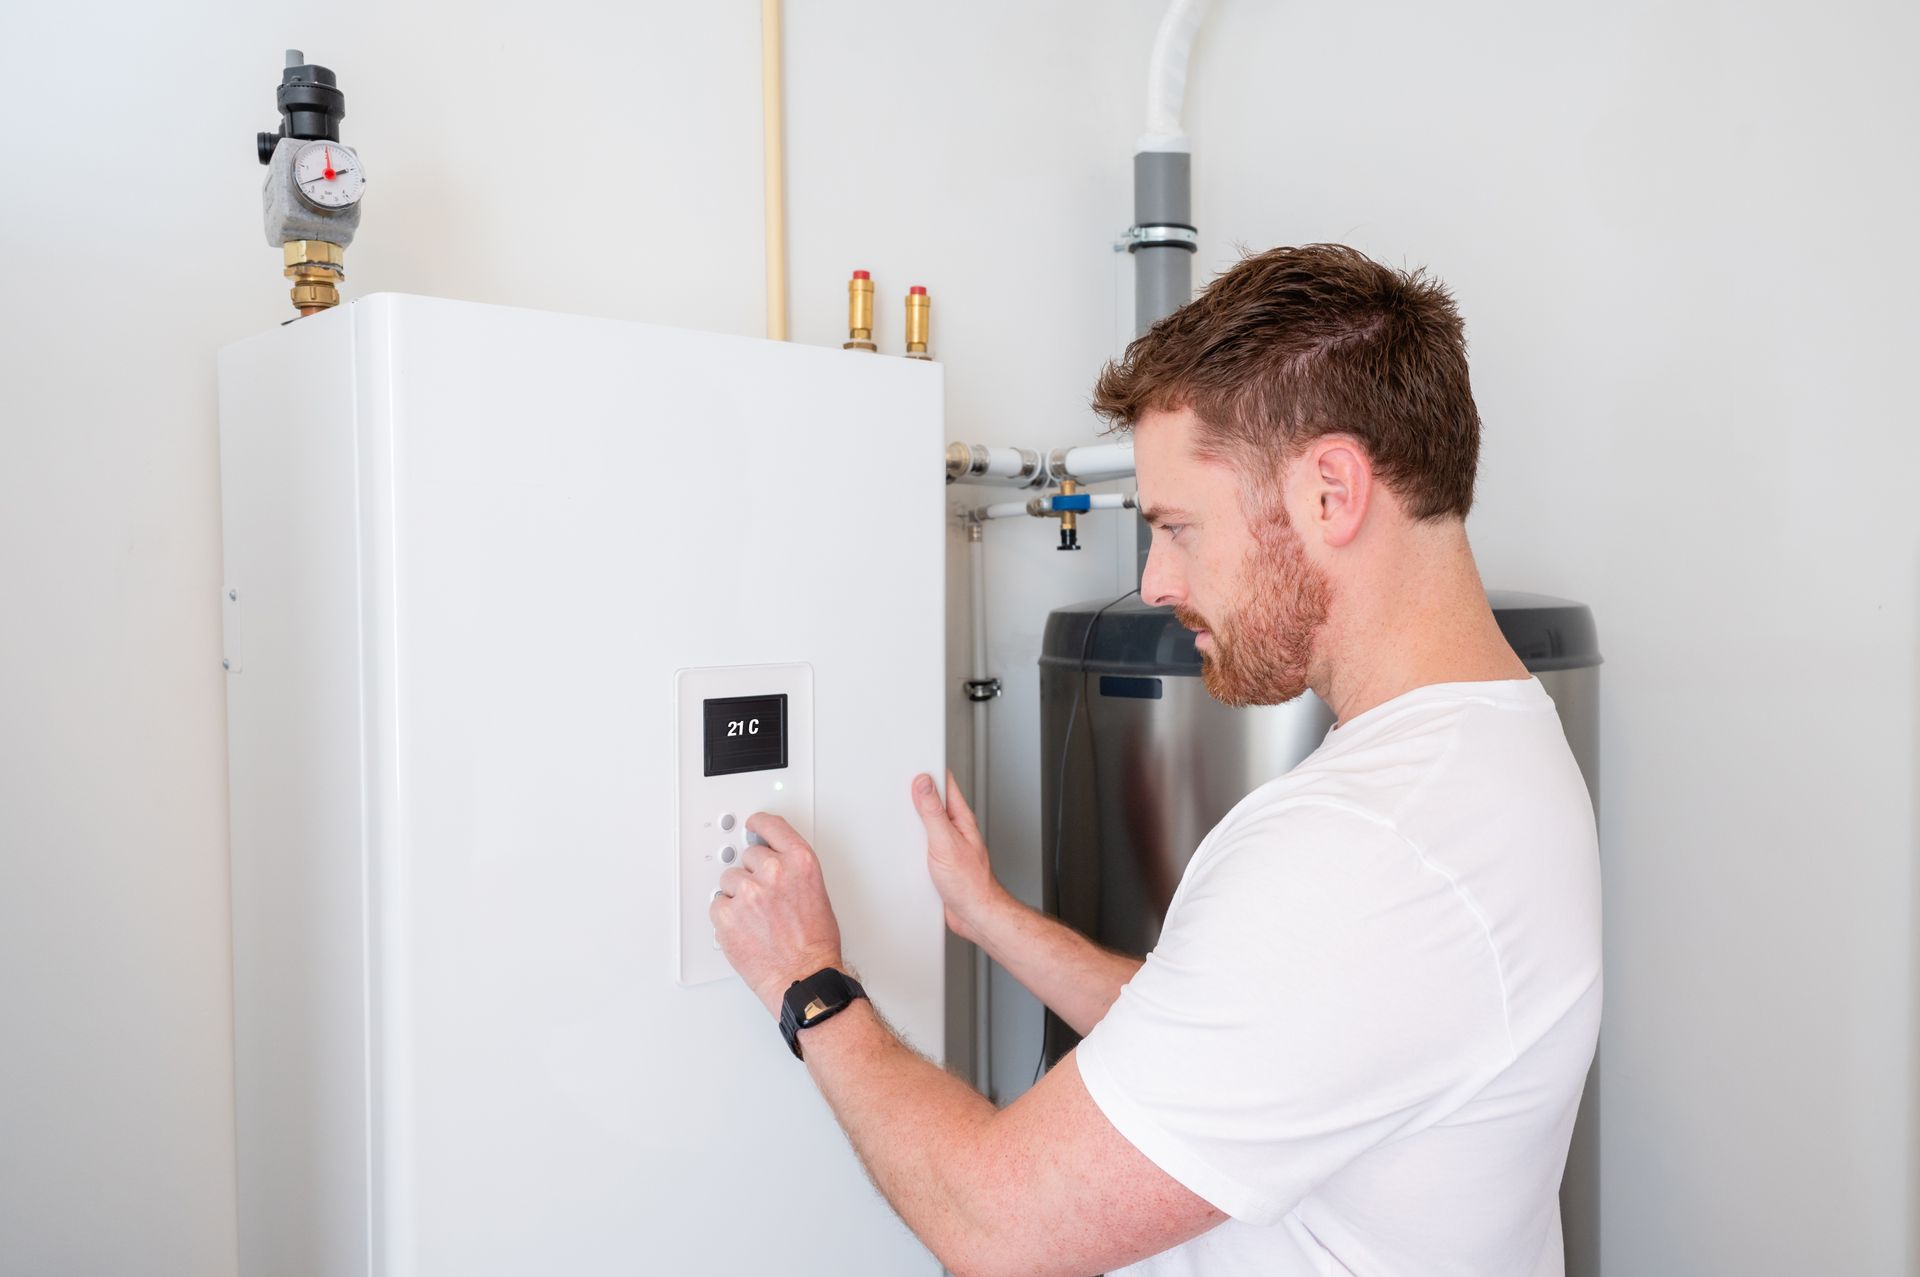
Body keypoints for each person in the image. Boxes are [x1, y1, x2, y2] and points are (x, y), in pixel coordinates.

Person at [710, 243, 1602, 1276]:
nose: (1157, 578)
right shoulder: (1500, 744)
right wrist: (989, 914)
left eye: (1178, 525)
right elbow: (1242, 1032)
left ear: (1330, 492)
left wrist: (807, 978)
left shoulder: (1362, 849)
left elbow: (996, 1224)